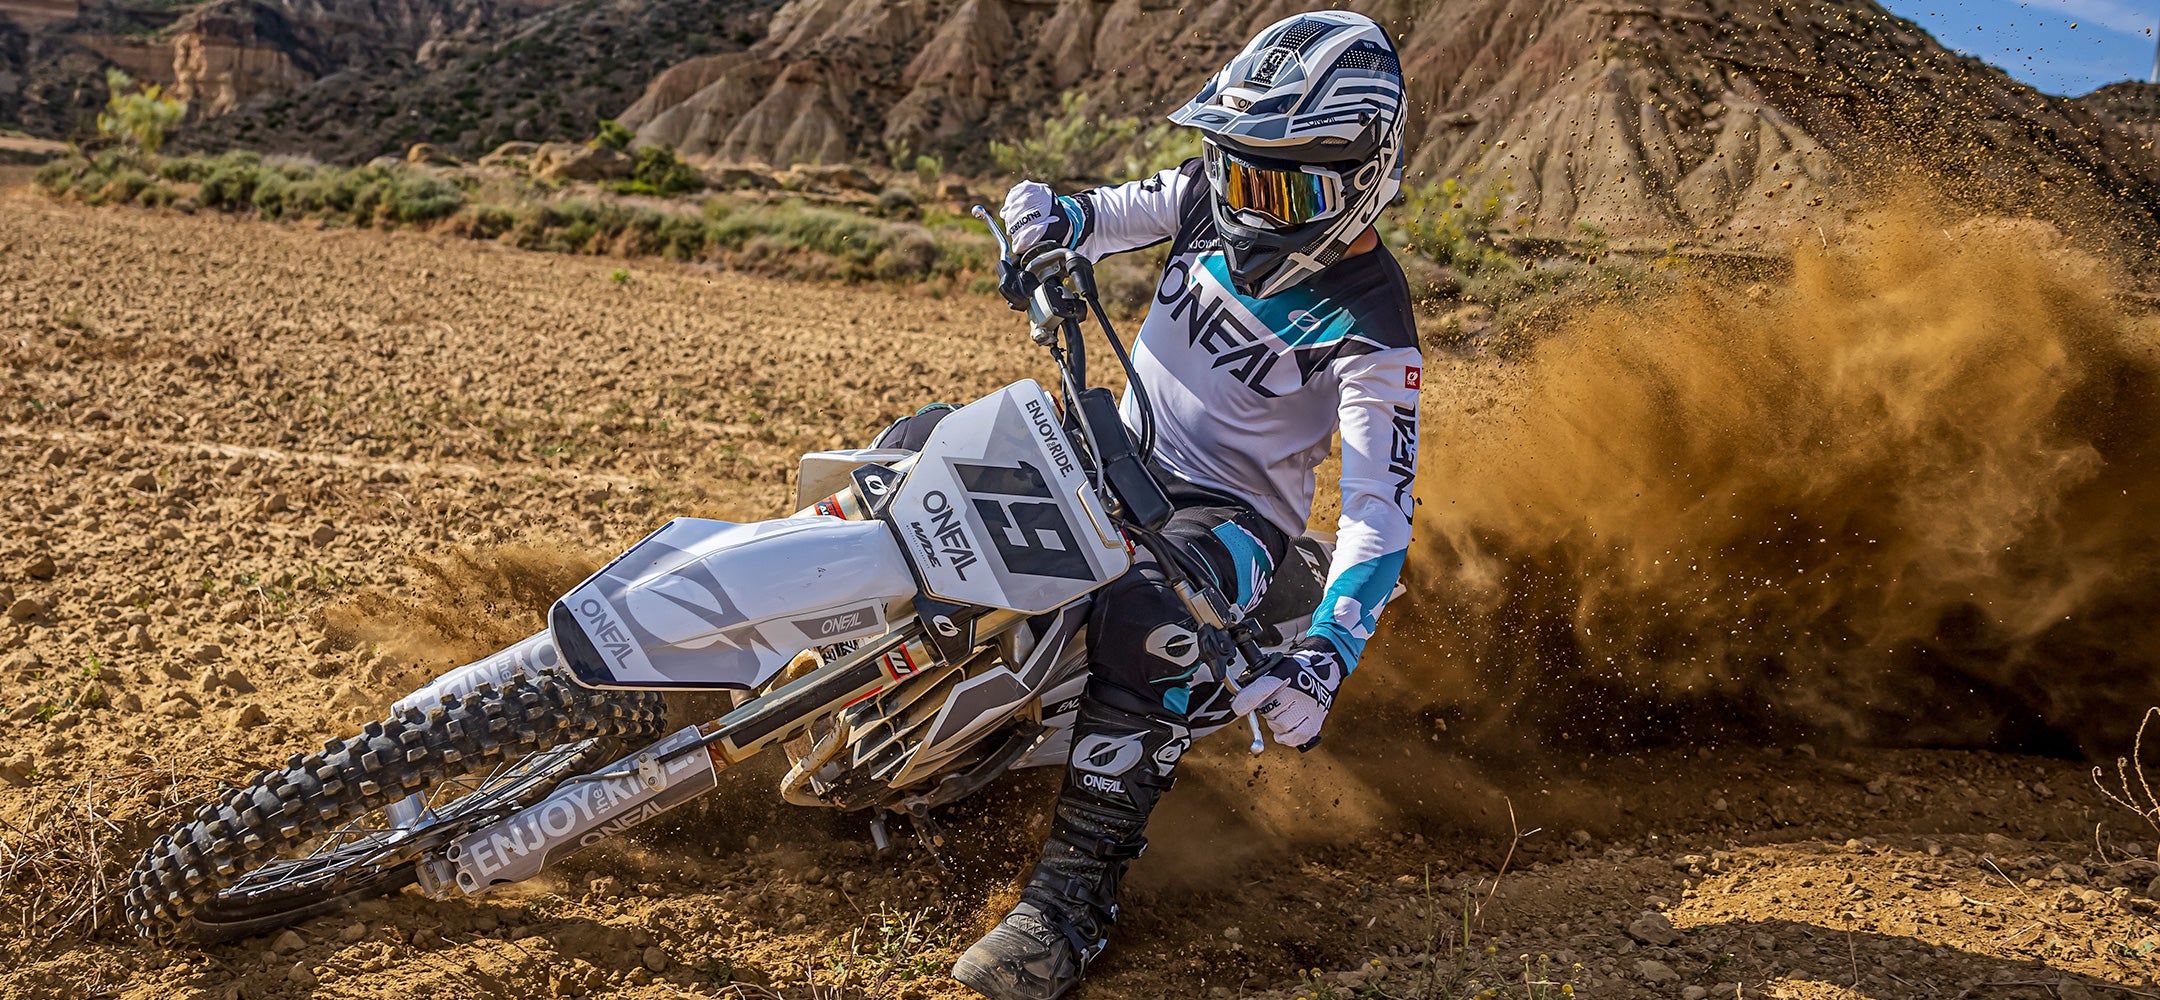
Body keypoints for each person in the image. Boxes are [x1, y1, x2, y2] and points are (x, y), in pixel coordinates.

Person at [949, 11, 1421, 999]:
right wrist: (1046, 214)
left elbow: (1379, 512)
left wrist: (1326, 660)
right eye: (1233, 166)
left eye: (1273, 182)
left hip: (1230, 524)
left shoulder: (1374, 327)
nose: (1242, 200)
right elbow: (1100, 215)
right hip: (1115, 450)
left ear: (1359, 171)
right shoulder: (1210, 194)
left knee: (1152, 629)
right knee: (929, 452)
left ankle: (1067, 908)